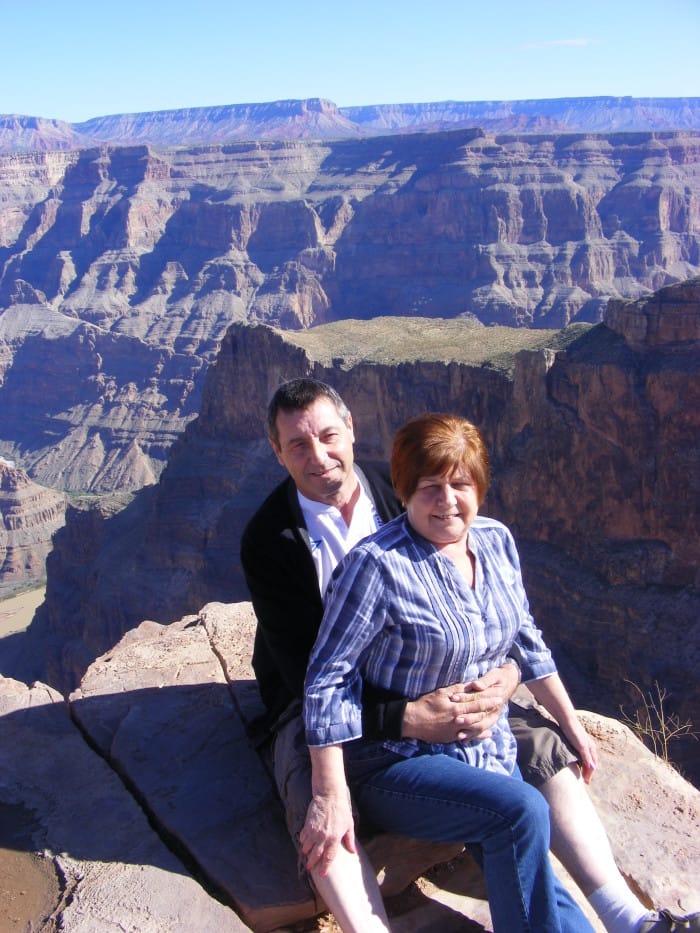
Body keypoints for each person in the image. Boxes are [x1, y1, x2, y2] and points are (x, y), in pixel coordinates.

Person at [241, 378, 698, 933]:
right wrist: (406, 722)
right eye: (298, 445)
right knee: (323, 808)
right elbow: (315, 676)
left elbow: (512, 628)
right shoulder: (276, 539)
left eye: (329, 436)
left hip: (446, 688)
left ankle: (628, 919)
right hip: (344, 716)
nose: (318, 456)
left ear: (352, 431)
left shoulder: (411, 497)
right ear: (277, 451)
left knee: (534, 759)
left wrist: (516, 684)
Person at [302, 411, 594, 932]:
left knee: (526, 858)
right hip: (394, 762)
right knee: (520, 812)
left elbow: (523, 634)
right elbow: (327, 679)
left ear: (479, 485)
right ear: (404, 489)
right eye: (429, 486)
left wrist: (569, 722)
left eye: (460, 484)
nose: (446, 501)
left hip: (486, 750)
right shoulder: (376, 565)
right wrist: (330, 794)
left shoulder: (496, 540)